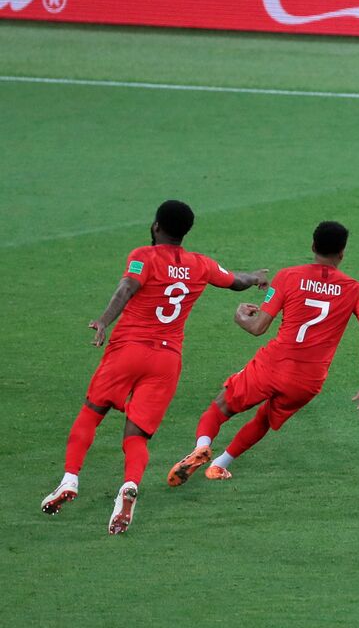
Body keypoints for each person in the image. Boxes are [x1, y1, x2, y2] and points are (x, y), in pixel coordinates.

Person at [39, 200, 267, 534]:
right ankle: (129, 487)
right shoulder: (200, 264)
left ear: (156, 226)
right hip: (166, 360)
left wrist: (104, 320)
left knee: (91, 413)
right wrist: (256, 277)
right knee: (137, 435)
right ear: (185, 231)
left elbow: (127, 286)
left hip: (128, 350)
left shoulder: (143, 256)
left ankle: (69, 479)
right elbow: (235, 280)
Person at [167, 222, 359, 485]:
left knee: (222, 406)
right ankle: (220, 465)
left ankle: (202, 446)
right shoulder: (356, 289)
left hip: (274, 365)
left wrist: (239, 317)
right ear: (342, 252)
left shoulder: (289, 276)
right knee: (265, 418)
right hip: (309, 380)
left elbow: (258, 327)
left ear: (313, 247)